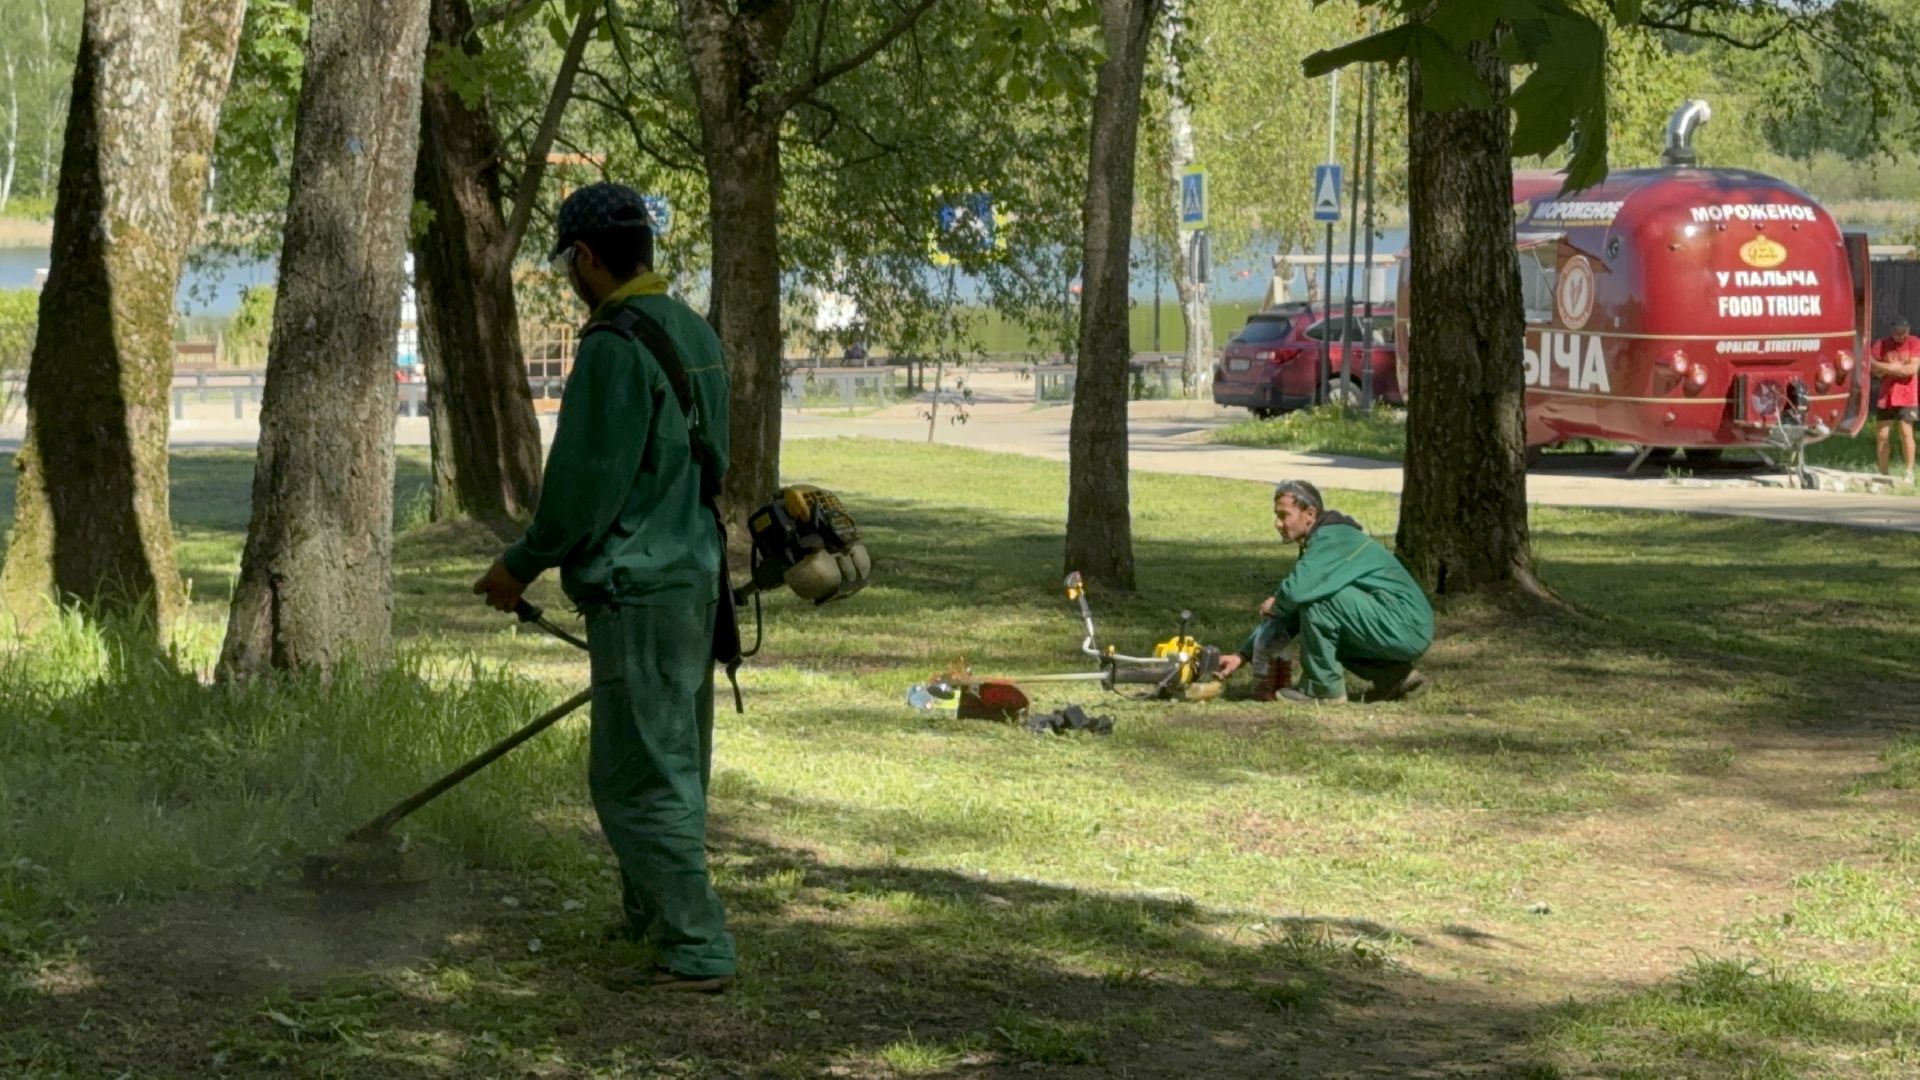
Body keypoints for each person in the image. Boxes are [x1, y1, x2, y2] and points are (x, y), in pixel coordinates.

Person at [472, 181, 736, 993]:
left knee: (638, 775)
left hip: (640, 587)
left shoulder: (614, 346)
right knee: (672, 760)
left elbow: (585, 483)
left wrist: (521, 563)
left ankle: (696, 948)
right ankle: (649, 920)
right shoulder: (692, 329)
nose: (571, 278)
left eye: (569, 264)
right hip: (691, 580)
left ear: (585, 257)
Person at [1217, 480, 1434, 704]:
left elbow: (1294, 595)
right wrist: (1242, 655)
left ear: (1309, 514)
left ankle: (1323, 690)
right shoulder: (1324, 540)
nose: (1277, 523)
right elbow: (1292, 609)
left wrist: (1276, 602)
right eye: (1276, 515)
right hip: (1402, 624)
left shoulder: (1333, 539)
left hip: (1406, 624)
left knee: (1319, 603)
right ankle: (1398, 678)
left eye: (1284, 515)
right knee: (1325, 620)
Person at [1870, 315, 1919, 484]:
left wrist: (1885, 368)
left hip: (1907, 396)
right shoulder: (1881, 344)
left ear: (1908, 330)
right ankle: (1883, 473)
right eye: (1897, 333)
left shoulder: (1914, 342)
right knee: (1882, 435)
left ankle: (1909, 472)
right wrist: (1895, 368)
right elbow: (1872, 367)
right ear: (1892, 331)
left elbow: (1911, 370)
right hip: (1886, 396)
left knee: (1906, 433)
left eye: (1903, 333)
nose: (1901, 337)